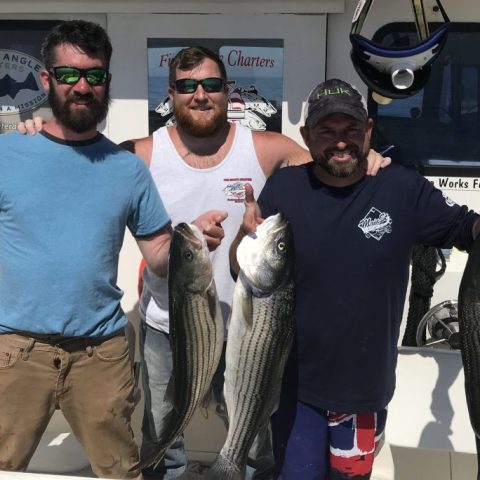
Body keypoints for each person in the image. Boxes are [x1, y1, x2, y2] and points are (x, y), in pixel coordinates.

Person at [18, 48, 389, 479]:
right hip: (167, 327)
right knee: (162, 435)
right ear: (170, 95)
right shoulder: (137, 153)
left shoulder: (267, 148)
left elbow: (334, 163)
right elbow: (73, 169)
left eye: (211, 85)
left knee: (252, 439)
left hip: (249, 330)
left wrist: (369, 156)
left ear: (227, 92)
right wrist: (40, 132)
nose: (200, 95)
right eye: (187, 86)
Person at [231, 78, 480, 479]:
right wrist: (244, 237)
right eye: (326, 131)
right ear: (306, 136)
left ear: (368, 130)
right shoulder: (284, 188)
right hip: (295, 387)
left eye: (350, 130)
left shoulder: (402, 187)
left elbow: (466, 228)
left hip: (364, 391)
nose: (340, 142)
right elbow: (240, 270)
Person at [0, 20, 172, 480]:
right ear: (46, 80)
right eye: (69, 74)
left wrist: (194, 244)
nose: (82, 86)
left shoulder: (127, 168)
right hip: (15, 351)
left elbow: (157, 249)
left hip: (102, 354)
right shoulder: (8, 153)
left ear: (107, 83)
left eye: (94, 76)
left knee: (120, 473)